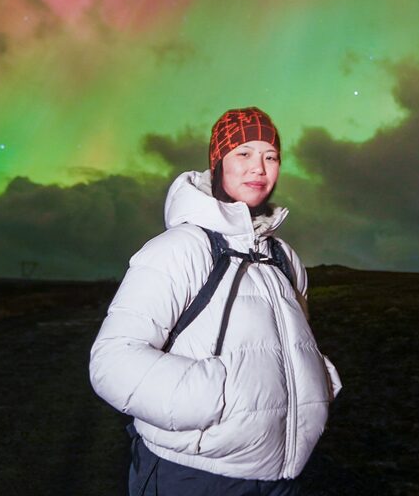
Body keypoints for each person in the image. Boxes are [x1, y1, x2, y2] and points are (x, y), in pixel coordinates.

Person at [90, 106, 342, 495]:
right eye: (243, 153)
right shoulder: (180, 249)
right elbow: (112, 360)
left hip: (284, 479)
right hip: (194, 476)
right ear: (217, 162)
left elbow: (286, 347)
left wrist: (318, 382)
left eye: (270, 156)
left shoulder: (284, 258)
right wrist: (211, 398)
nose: (259, 168)